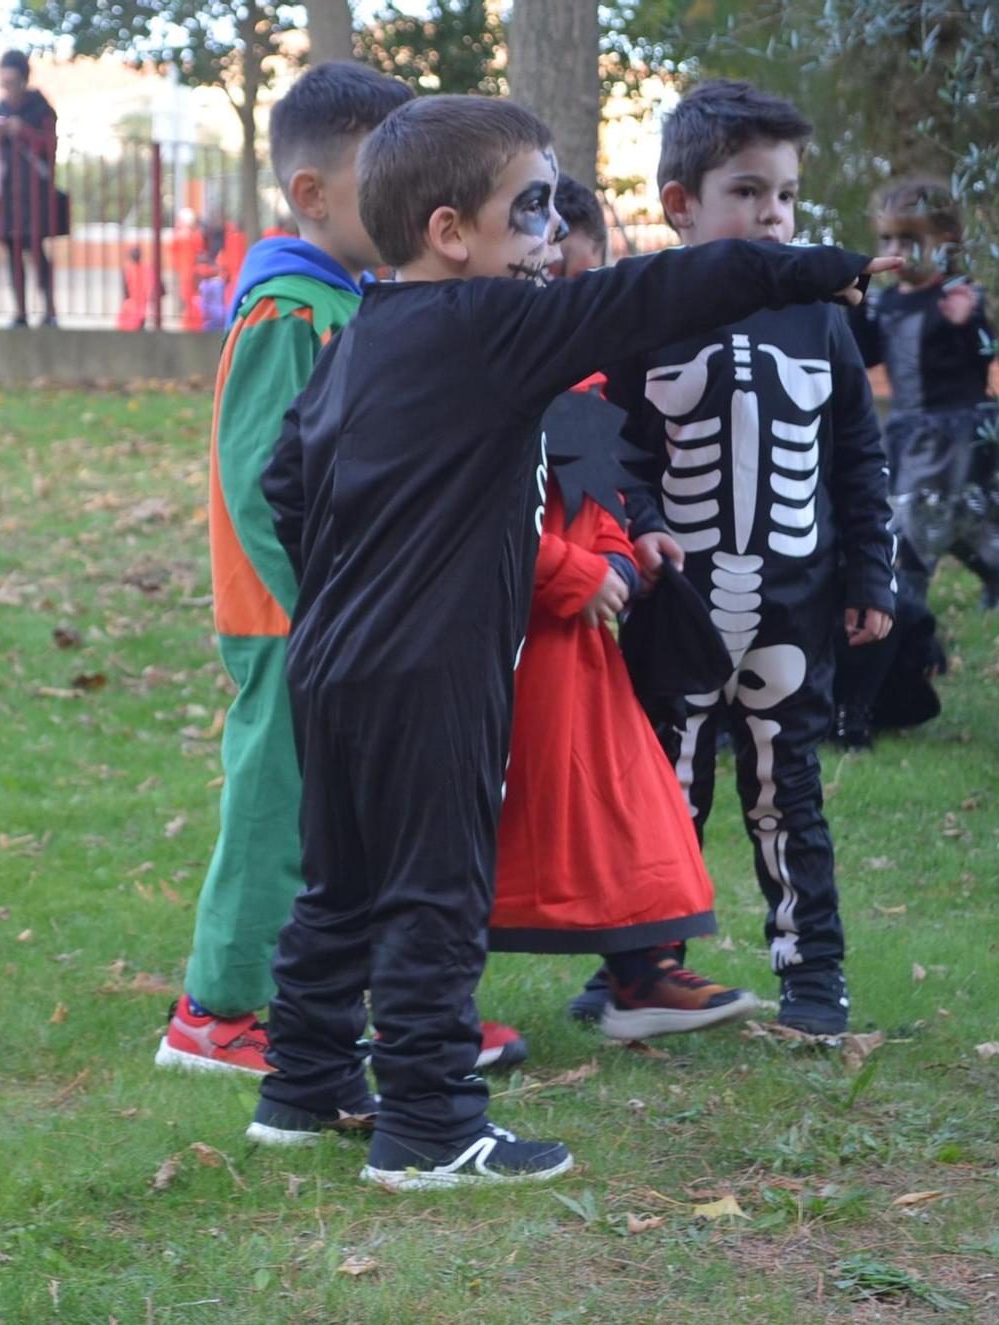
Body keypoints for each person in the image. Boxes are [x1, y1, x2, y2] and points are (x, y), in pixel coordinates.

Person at [249, 94, 890, 1189]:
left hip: (332, 666)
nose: (552, 234)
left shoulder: (364, 333)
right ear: (452, 233)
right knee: (433, 892)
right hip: (430, 674)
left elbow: (284, 482)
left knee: (341, 883)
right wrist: (801, 268)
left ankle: (301, 1087)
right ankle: (431, 1125)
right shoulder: (488, 326)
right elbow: (650, 291)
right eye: (532, 208)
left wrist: (355, 589)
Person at [158, 62, 545, 1078]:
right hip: (297, 622)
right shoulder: (291, 311)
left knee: (361, 819)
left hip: (355, 622)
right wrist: (324, 612)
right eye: (383, 174)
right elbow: (259, 484)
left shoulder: (360, 303)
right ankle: (221, 1008)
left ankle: (382, 1001)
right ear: (313, 195)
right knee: (278, 808)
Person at [604, 80, 897, 1040]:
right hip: (676, 602)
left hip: (793, 602)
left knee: (786, 791)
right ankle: (644, 971)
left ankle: (813, 975)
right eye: (749, 191)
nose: (774, 213)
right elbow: (616, 450)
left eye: (787, 195)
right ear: (680, 204)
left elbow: (860, 455)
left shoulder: (822, 317)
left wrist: (870, 577)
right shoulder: (644, 311)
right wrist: (640, 523)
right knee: (665, 790)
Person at [489, 210, 758, 1042]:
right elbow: (467, 525)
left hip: (577, 648)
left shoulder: (572, 376)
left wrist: (612, 555)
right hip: (492, 647)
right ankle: (419, 1007)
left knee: (635, 806)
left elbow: (594, 489)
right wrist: (573, 573)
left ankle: (640, 973)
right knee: (464, 823)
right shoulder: (468, 371)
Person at [850, 177, 999, 613]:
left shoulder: (960, 294)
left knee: (914, 519)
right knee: (945, 520)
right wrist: (854, 305)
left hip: (957, 429)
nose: (896, 248)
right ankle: (997, 572)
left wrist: (969, 322)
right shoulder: (887, 302)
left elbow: (982, 357)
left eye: (909, 239)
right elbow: (867, 355)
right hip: (908, 428)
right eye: (887, 238)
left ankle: (909, 606)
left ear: (944, 240)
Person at [0, 50, 62, 328]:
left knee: (36, 249)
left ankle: (50, 311)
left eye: (12, 82)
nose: (8, 89)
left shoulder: (40, 108)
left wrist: (23, 132)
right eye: (3, 83)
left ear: (24, 80)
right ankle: (20, 313)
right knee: (12, 251)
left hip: (34, 194)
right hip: (5, 194)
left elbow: (50, 148)